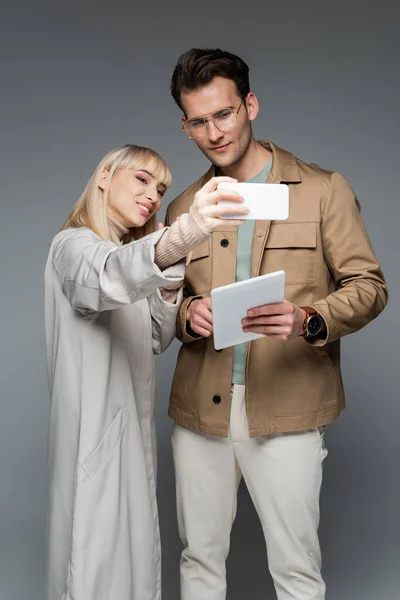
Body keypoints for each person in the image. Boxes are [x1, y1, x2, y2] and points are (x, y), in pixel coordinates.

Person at [165, 48, 389, 600]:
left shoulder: (321, 190)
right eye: (198, 121)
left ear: (250, 105)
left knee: (295, 569)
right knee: (198, 558)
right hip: (201, 410)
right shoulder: (183, 209)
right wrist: (185, 315)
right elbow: (162, 303)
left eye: (225, 113)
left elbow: (370, 287)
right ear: (185, 125)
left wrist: (309, 318)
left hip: (287, 405)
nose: (214, 132)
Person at [44, 143, 248, 600]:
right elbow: (106, 277)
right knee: (93, 566)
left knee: (131, 569)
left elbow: (156, 337)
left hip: (128, 439)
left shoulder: (125, 254)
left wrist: (175, 275)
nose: (154, 195)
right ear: (104, 177)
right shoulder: (73, 246)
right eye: (142, 179)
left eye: (161, 189)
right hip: (93, 440)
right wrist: (186, 233)